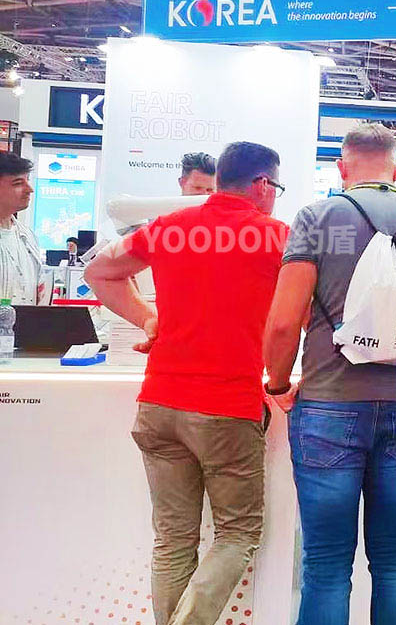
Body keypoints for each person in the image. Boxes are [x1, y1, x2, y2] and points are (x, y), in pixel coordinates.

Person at [83, 142, 288, 625]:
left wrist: (147, 319)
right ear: (262, 184)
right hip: (227, 405)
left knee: (174, 539)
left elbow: (98, 271)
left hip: (158, 403)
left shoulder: (168, 228)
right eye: (276, 188)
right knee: (238, 534)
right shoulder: (276, 237)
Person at [262, 123, 396, 625]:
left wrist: (278, 384)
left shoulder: (318, 218)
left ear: (341, 168)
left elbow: (284, 321)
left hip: (329, 405)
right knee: (395, 560)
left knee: (327, 565)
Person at [0, 152, 41, 304]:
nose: (29, 189)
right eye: (18, 183)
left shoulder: (28, 236)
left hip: (25, 319)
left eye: (27, 181)